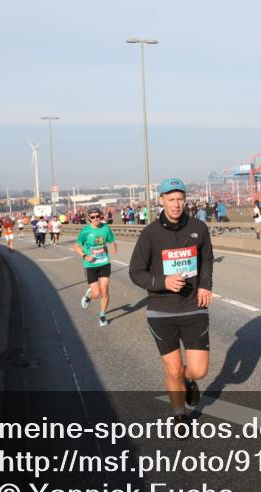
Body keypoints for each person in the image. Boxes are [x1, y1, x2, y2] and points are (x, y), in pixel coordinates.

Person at [129, 178, 213, 429]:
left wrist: (205, 285)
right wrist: (163, 281)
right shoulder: (150, 233)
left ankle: (189, 382)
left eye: (180, 199)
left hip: (193, 308)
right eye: (171, 199)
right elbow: (136, 272)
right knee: (173, 370)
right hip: (160, 310)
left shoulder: (199, 227)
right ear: (161, 201)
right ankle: (179, 415)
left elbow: (206, 259)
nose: (176, 204)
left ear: (185, 200)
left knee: (197, 371)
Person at [75, 206, 118, 327]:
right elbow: (76, 246)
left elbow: (112, 240)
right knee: (96, 294)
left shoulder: (105, 228)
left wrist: (114, 246)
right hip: (90, 265)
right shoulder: (85, 231)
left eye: (98, 216)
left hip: (104, 263)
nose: (96, 219)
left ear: (101, 216)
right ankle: (89, 296)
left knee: (104, 290)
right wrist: (85, 256)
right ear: (89, 218)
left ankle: (102, 315)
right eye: (93, 217)